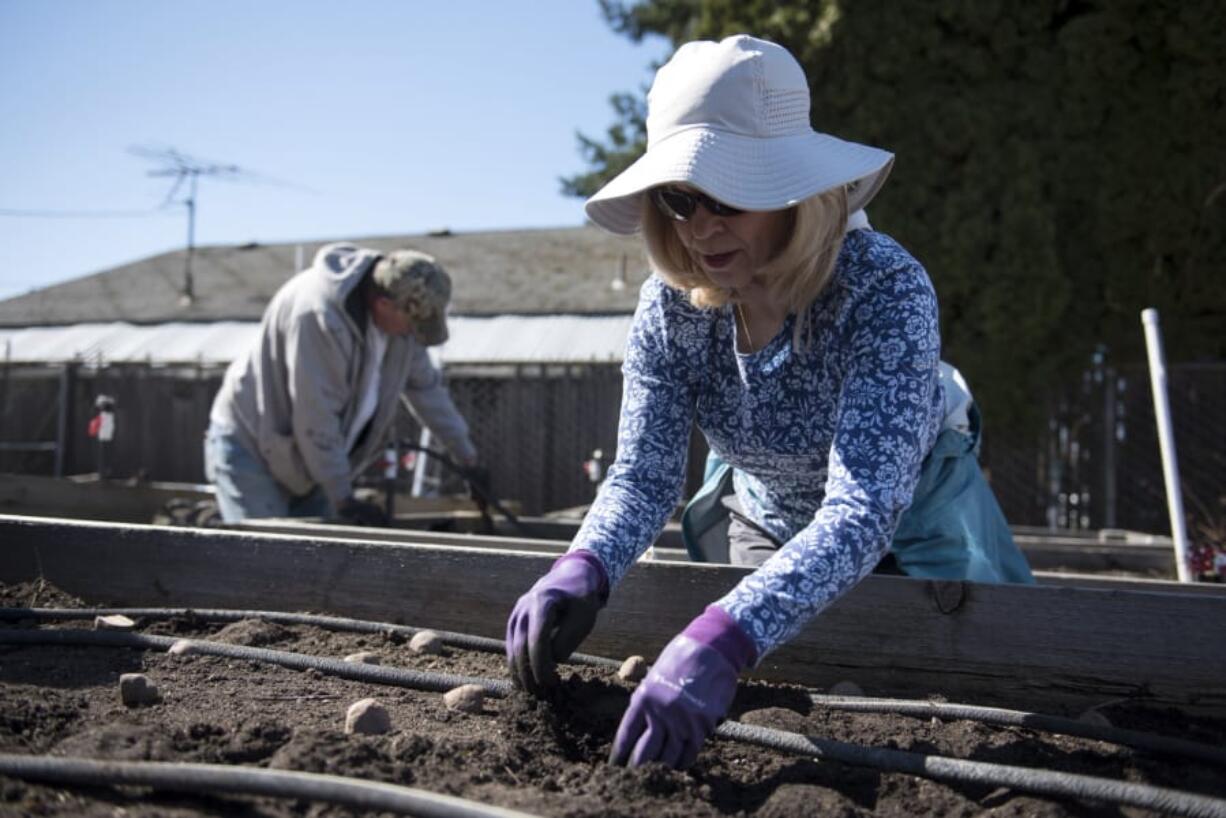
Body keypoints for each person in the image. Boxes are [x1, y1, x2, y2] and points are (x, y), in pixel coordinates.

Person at [505, 35, 1032, 771]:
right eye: (680, 198)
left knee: (983, 702)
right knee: (790, 692)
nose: (700, 226)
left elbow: (865, 505)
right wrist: (586, 563)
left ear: (793, 188)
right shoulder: (673, 309)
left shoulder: (882, 288)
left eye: (728, 195)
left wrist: (724, 632)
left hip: (917, 523)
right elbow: (645, 475)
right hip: (769, 514)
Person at [205, 242, 479, 525]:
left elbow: (426, 389)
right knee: (264, 559)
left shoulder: (401, 325)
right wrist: (343, 498)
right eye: (412, 324)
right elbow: (316, 415)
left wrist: (467, 456)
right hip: (253, 445)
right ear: (383, 304)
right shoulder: (318, 316)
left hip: (309, 457)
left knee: (315, 559)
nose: (413, 333)